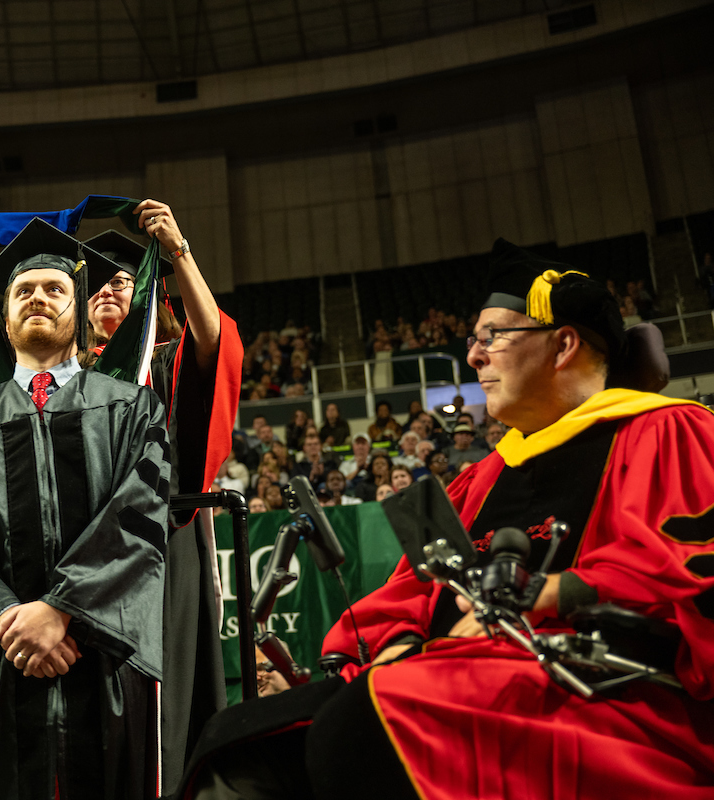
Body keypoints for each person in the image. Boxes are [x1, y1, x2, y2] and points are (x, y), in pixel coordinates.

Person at [180, 238, 714, 799]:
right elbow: (408, 596)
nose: (475, 357)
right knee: (238, 745)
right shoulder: (479, 478)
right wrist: (399, 639)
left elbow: (688, 574)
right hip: (458, 677)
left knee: (361, 724)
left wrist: (554, 592)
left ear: (563, 344)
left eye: (492, 337)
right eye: (473, 341)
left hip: (606, 694)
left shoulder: (669, 434)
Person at [0, 219, 171, 800]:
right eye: (22, 291)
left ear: (79, 315)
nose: (37, 298)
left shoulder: (133, 408)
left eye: (55, 289)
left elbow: (140, 516)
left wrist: (60, 611)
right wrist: (10, 618)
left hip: (100, 651)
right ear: (4, 320)